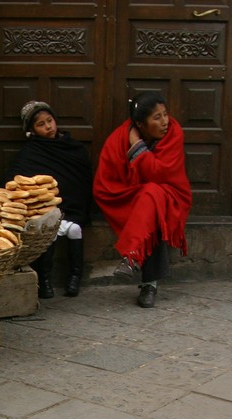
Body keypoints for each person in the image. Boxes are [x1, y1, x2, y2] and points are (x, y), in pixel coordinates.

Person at [93, 91, 192, 308]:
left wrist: (137, 147)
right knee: (150, 201)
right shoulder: (118, 139)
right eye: (157, 118)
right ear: (141, 123)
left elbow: (159, 174)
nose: (165, 122)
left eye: (165, 114)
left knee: (152, 195)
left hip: (171, 193)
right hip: (128, 195)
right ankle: (150, 284)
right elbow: (105, 182)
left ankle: (132, 258)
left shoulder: (174, 133)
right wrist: (135, 146)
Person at [4, 101, 93, 298]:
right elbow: (15, 183)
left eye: (50, 121)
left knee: (75, 229)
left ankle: (75, 277)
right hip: (47, 210)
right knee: (48, 233)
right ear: (32, 131)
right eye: (41, 124)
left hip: (73, 207)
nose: (48, 127)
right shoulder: (30, 154)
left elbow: (83, 179)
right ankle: (44, 281)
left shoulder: (74, 148)